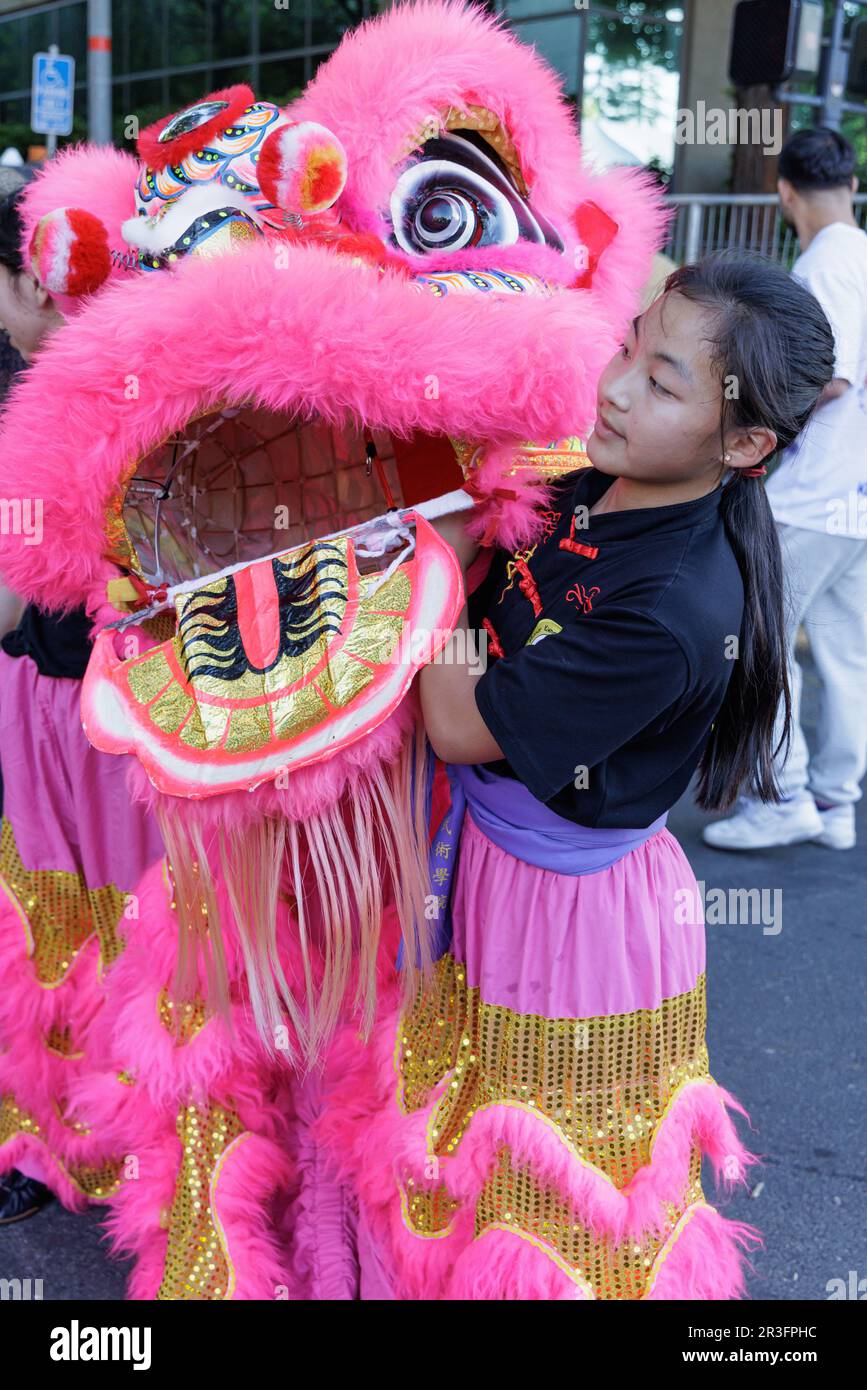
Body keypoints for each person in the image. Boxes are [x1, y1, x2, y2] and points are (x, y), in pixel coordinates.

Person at [317, 253, 835, 1299]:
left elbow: (459, 720)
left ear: (744, 445)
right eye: (630, 345)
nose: (614, 386)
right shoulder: (596, 475)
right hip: (487, 860)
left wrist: (433, 569)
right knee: (458, 1125)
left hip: (567, 919)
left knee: (553, 1188)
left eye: (662, 381)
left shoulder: (677, 610)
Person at [0, 182, 164, 1224]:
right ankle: (78, 1143)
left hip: (100, 705)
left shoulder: (59, 400)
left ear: (38, 283)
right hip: (90, 703)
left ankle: (101, 1145)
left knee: (89, 919)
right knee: (83, 919)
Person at [705, 128, 867, 852]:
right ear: (852, 186)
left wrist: (753, 425)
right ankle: (835, 805)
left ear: (784, 191)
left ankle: (784, 796)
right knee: (842, 651)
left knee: (766, 642)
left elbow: (828, 377)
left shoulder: (823, 266)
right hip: (855, 497)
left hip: (810, 493)